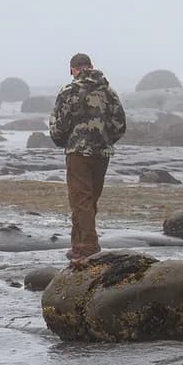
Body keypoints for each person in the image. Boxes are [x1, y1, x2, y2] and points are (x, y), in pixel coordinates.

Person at [49, 53, 127, 261]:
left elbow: (59, 125)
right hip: (102, 152)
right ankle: (78, 245)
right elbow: (120, 124)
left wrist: (64, 142)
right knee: (89, 199)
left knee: (80, 199)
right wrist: (106, 141)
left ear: (73, 69)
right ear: (91, 66)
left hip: (78, 152)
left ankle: (89, 247)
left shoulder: (69, 91)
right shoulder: (108, 91)